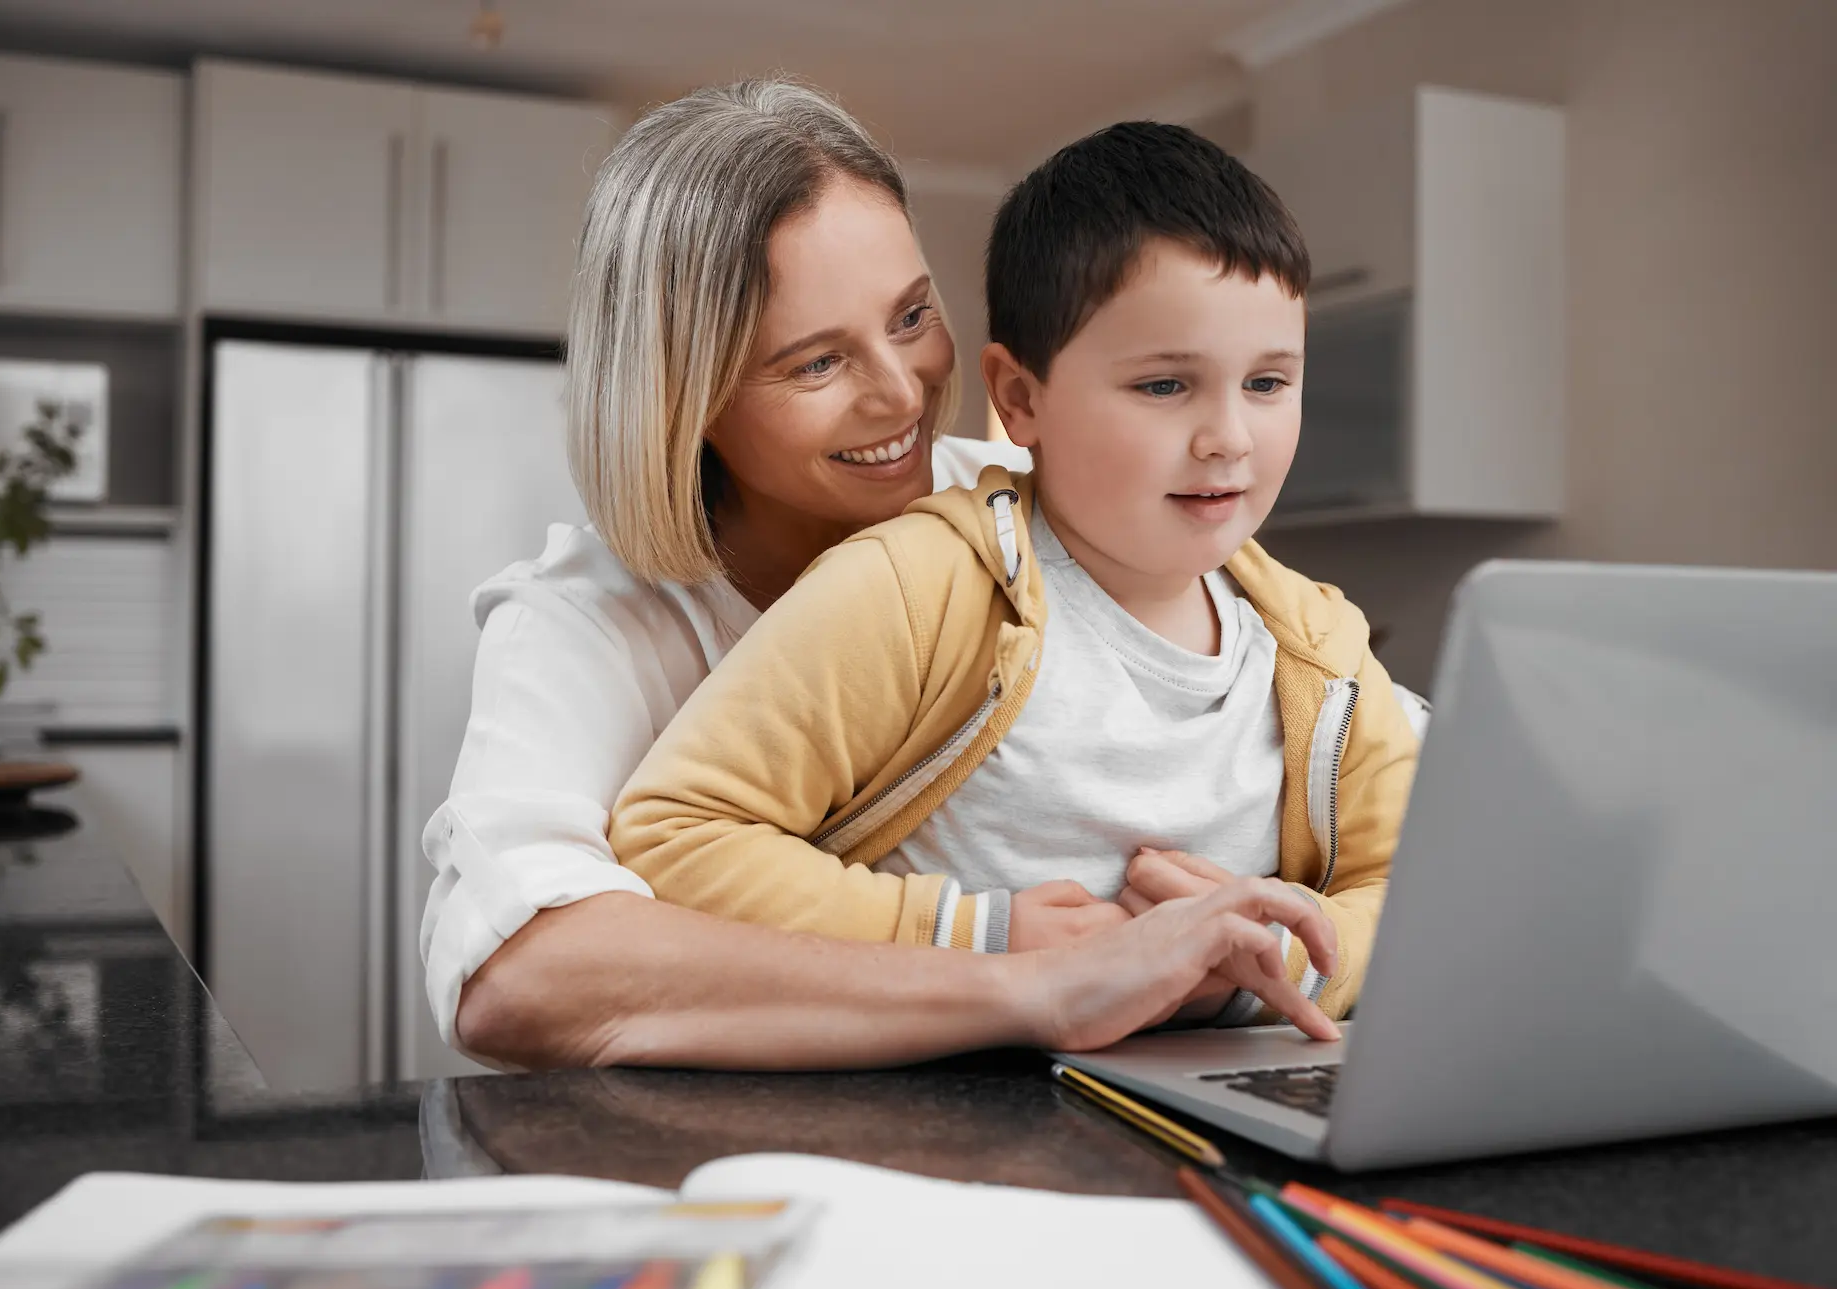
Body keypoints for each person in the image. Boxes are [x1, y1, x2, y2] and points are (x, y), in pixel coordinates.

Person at [423, 82, 1348, 1070]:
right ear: (681, 397)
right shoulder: (584, 623)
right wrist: (1022, 979)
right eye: (817, 364)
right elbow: (518, 980)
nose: (903, 393)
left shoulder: (1018, 512)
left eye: (911, 316)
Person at [608, 121, 1419, 1025]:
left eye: (1267, 383)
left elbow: (1428, 885)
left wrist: (1286, 954)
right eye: (1164, 386)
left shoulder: (1318, 650)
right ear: (1020, 398)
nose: (1228, 436)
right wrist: (973, 931)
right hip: (949, 1122)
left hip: (1214, 1110)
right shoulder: (914, 587)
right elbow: (674, 836)